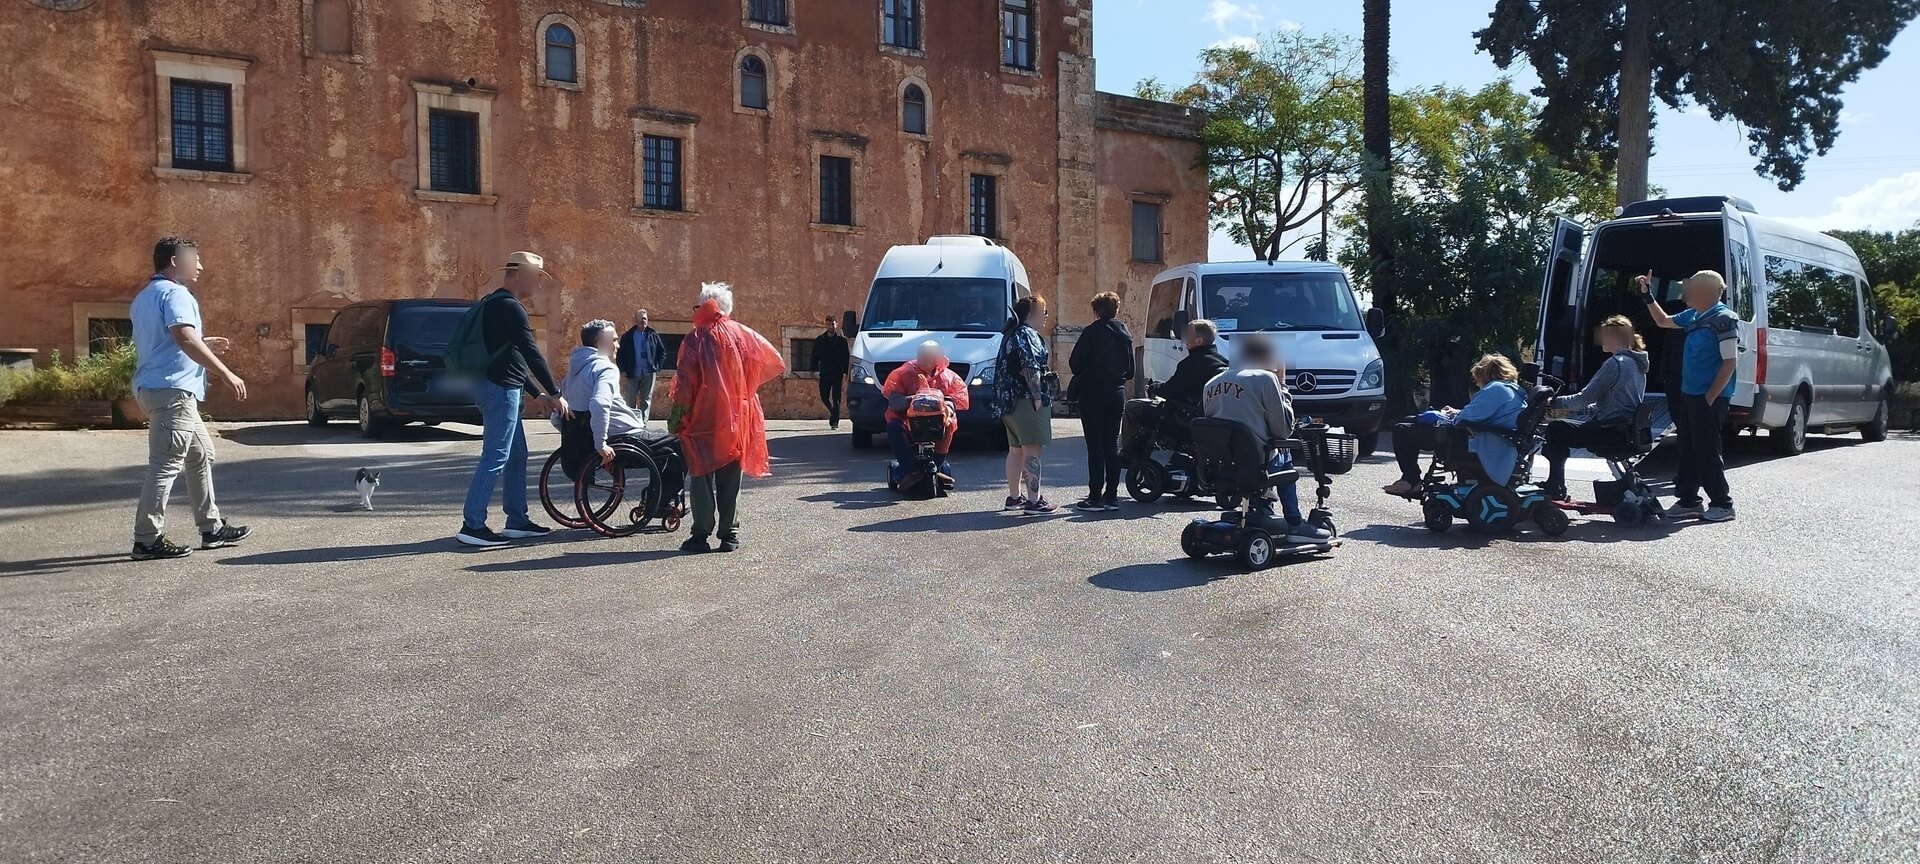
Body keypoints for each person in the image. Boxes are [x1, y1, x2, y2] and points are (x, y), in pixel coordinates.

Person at [128, 236, 251, 560]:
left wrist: (203, 341)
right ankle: (146, 539)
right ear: (174, 261)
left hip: (156, 388)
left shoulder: (146, 296)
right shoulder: (176, 293)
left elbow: (168, 340)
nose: (200, 265)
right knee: (165, 464)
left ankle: (211, 528)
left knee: (200, 454)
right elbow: (183, 337)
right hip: (173, 391)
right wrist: (226, 372)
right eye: (194, 259)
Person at [458, 251, 569, 548]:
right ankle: (472, 524)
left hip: (496, 385)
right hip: (499, 390)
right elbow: (531, 353)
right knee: (495, 455)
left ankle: (517, 521)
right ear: (519, 275)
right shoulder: (511, 308)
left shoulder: (494, 303)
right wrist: (557, 394)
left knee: (516, 454)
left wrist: (537, 394)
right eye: (535, 278)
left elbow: (513, 359)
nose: (538, 286)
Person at [668, 282, 785, 553]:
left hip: (704, 416)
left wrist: (677, 417)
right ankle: (729, 534)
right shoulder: (743, 334)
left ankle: (700, 534)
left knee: (701, 473)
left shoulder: (696, 338)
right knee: (731, 474)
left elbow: (685, 384)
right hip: (739, 414)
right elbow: (774, 361)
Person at [1201, 335, 1332, 544]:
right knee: (1284, 450)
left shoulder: (1211, 382)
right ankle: (1294, 522)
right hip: (1256, 463)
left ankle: (1262, 507)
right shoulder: (1265, 379)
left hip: (1220, 465)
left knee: (1260, 448)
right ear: (1268, 357)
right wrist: (1282, 385)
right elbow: (1284, 430)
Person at [1640, 269, 1740, 522]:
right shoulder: (1693, 315)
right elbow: (1663, 321)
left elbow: (1730, 362)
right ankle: (1688, 500)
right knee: (1686, 446)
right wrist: (1647, 295)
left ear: (1704, 291)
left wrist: (1710, 397)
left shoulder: (1724, 319)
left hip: (1709, 396)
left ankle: (1722, 503)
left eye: (1690, 286)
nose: (1685, 291)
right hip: (1688, 393)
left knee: (1706, 449)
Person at [1382, 354, 1528, 497]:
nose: (1477, 383)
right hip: (1488, 436)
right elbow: (1479, 413)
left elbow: (1466, 418)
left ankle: (1411, 480)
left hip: (1474, 440)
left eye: (1478, 378)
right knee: (1409, 420)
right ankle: (1409, 479)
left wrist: (1452, 415)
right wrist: (1455, 412)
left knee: (1402, 430)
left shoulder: (1496, 389)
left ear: (1486, 374)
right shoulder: (1510, 390)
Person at [1540, 315, 1649, 501]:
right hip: (1625, 429)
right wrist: (1576, 410)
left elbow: (1582, 399)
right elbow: (1612, 403)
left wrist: (1552, 402)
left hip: (1610, 431)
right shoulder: (1636, 364)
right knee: (1561, 425)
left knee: (1556, 429)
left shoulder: (1615, 364)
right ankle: (1555, 484)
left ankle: (1555, 486)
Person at [1068, 291, 1135, 512]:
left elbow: (1075, 364)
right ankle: (1112, 496)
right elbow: (1131, 371)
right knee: (1112, 445)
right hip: (1116, 392)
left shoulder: (1091, 332)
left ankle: (1095, 496)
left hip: (1093, 393)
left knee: (1095, 446)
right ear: (1116, 310)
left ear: (1096, 311)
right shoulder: (1125, 333)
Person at [996, 296, 1057, 515]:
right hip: (1025, 399)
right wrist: (1037, 397)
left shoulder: (1011, 333)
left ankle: (1014, 497)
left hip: (1007, 401)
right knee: (1032, 450)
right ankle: (1034, 501)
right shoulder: (1028, 334)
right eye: (1044, 312)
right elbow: (1030, 367)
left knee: (1015, 450)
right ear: (1031, 314)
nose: (1046, 317)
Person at [882, 340, 970, 490]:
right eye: (921, 355)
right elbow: (894, 401)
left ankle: (937, 465)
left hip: (937, 422)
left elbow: (957, 398)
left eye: (927, 355)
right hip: (909, 421)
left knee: (949, 425)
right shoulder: (904, 373)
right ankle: (910, 471)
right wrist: (913, 400)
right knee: (894, 427)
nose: (923, 358)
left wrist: (946, 406)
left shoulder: (948, 376)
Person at [564, 319, 650, 469]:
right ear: (600, 343)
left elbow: (557, 414)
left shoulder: (573, 371)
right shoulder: (605, 368)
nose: (618, 345)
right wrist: (600, 444)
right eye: (614, 340)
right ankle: (664, 492)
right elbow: (599, 404)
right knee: (677, 444)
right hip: (623, 436)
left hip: (587, 439)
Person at [1149, 318, 1227, 409]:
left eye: (1188, 334)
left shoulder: (1191, 363)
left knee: (1135, 406)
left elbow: (1171, 390)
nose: (1185, 339)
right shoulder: (1224, 361)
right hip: (1212, 412)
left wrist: (1152, 387)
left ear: (1198, 341)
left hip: (1191, 415)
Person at [615, 308, 665, 423]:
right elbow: (620, 354)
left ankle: (643, 423)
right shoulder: (628, 336)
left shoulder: (652, 334)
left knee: (646, 399)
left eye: (645, 319)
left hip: (648, 372)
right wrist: (622, 370)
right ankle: (631, 422)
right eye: (641, 319)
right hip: (633, 372)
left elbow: (662, 352)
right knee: (630, 399)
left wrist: (657, 367)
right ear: (636, 320)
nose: (644, 321)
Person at [811, 314, 851, 430]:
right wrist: (813, 369)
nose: (831, 326)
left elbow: (846, 357)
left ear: (836, 324)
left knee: (836, 397)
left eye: (833, 324)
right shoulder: (820, 340)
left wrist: (846, 372)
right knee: (823, 395)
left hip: (837, 372)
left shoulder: (842, 341)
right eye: (829, 324)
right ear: (826, 325)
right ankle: (833, 411)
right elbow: (815, 355)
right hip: (825, 372)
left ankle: (835, 422)